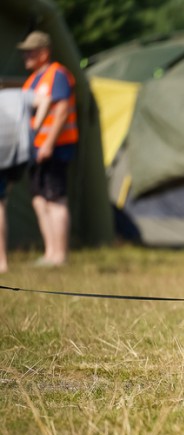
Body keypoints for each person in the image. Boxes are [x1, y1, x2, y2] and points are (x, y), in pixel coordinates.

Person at [19, 31, 78, 267]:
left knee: (55, 199)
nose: (26, 55)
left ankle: (60, 255)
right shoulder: (32, 79)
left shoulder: (58, 74)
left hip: (56, 147)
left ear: (44, 52)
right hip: (36, 149)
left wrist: (49, 143)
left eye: (30, 50)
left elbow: (62, 110)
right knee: (39, 199)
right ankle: (50, 253)